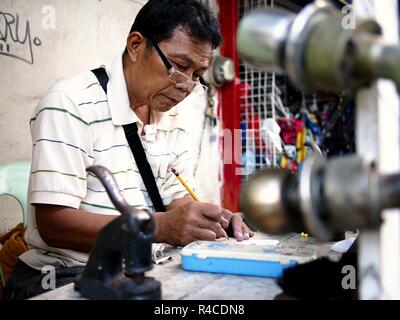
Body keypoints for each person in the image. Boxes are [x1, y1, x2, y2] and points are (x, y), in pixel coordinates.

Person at [3, 0, 253, 300]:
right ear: (136, 45)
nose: (186, 86)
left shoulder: (170, 116)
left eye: (197, 76)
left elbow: (175, 197)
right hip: (68, 273)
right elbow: (53, 224)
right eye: (179, 66)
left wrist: (208, 220)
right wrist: (159, 227)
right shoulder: (69, 103)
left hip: (142, 267)